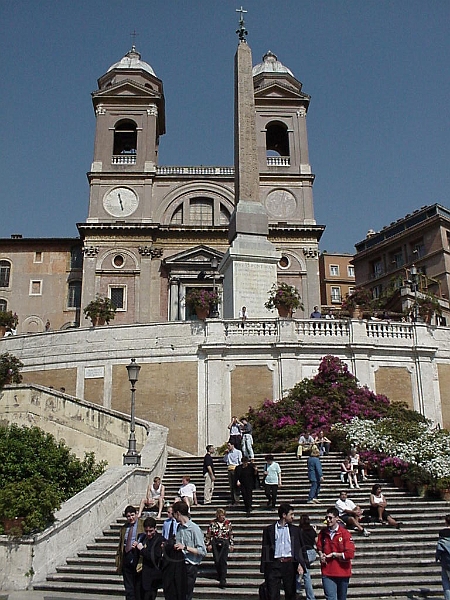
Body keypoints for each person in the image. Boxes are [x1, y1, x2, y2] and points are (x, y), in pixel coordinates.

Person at [260, 503, 306, 600]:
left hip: (289, 564)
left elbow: (300, 547)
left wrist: (301, 563)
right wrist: (264, 567)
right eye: (291, 514)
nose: (293, 517)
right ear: (284, 515)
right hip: (274, 564)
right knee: (272, 594)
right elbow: (265, 549)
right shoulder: (269, 529)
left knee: (290, 593)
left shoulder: (296, 530)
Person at [317, 507, 355, 600]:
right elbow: (319, 547)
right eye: (327, 518)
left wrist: (334, 554)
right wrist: (321, 554)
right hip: (327, 571)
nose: (328, 520)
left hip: (342, 571)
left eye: (330, 518)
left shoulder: (345, 533)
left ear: (337, 518)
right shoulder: (323, 533)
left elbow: (350, 554)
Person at [173, 500, 207, 600]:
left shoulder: (194, 529)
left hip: (190, 566)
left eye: (174, 514)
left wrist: (185, 547)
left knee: (186, 595)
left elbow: (202, 551)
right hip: (179, 564)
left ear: (178, 513)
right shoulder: (179, 528)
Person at [115, 504, 144, 600]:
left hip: (137, 556)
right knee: (128, 587)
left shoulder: (142, 524)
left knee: (138, 587)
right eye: (128, 516)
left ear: (136, 514)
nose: (131, 518)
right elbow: (121, 544)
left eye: (132, 515)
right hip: (126, 556)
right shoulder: (124, 528)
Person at [205, 508, 234, 588]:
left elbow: (230, 534)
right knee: (217, 560)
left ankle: (223, 579)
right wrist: (208, 544)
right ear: (218, 516)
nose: (223, 517)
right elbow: (208, 534)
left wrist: (231, 544)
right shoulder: (212, 523)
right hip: (215, 542)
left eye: (224, 515)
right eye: (221, 516)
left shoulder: (228, 523)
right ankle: (219, 574)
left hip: (224, 542)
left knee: (223, 560)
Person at [136, 516, 164, 600]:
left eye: (150, 531)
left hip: (151, 578)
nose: (148, 534)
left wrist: (142, 549)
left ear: (155, 528)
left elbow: (154, 556)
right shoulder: (143, 537)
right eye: (146, 531)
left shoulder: (159, 539)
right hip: (140, 575)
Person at [298, 514, 317, 600]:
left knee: (305, 573)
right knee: (302, 570)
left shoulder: (299, 530)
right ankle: (297, 588)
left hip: (303, 553)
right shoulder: (312, 530)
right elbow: (317, 541)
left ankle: (310, 596)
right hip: (312, 552)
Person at [436, 514, 450, 600]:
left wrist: (437, 557)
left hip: (446, 561)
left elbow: (439, 548)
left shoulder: (442, 534)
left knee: (446, 582)